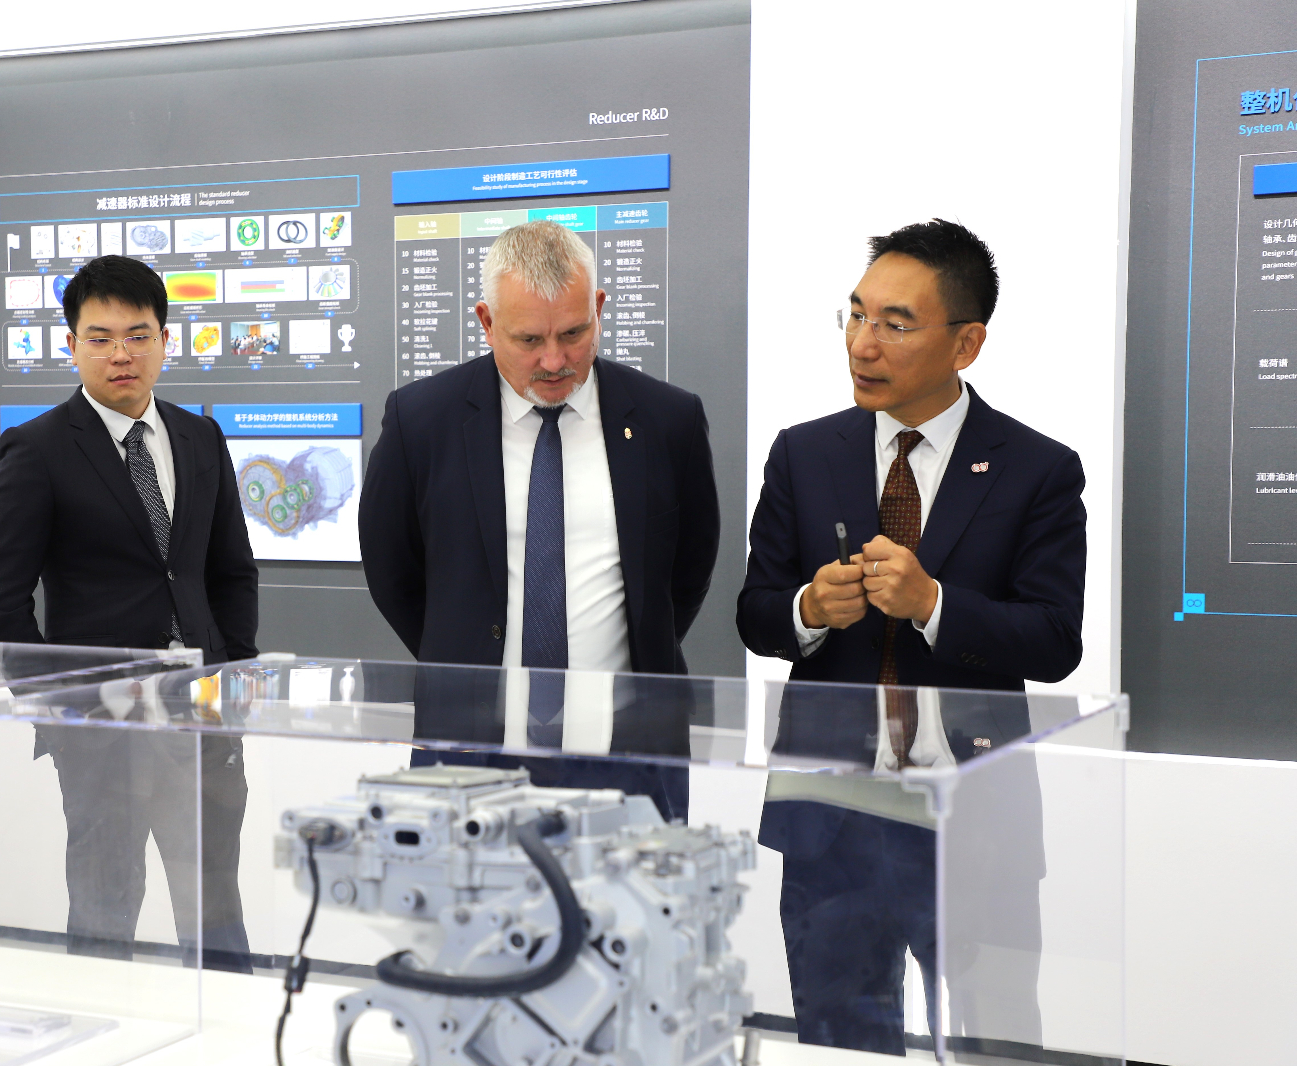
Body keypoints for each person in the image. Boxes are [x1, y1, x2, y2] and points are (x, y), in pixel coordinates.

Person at [736, 220, 1084, 1054]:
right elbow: (755, 612)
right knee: (838, 1039)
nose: (863, 343)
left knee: (995, 1040)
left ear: (967, 343)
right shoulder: (803, 454)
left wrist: (933, 603)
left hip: (972, 820)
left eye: (895, 324)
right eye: (856, 315)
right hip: (832, 819)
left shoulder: (1037, 467)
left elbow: (1053, 640)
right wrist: (808, 610)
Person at [359, 220, 720, 821]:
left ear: (598, 308)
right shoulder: (421, 420)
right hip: (470, 752)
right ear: (486, 322)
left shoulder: (668, 420)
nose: (555, 361)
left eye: (574, 333)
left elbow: (685, 573)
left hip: (629, 757)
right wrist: (464, 654)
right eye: (529, 339)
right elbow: (393, 570)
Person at [0, 254, 259, 968]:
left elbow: (230, 571)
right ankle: (97, 1023)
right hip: (102, 727)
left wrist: (236, 680)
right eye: (100, 338)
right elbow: (1, 598)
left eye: (138, 336)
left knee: (216, 905)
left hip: (203, 719)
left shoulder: (200, 438)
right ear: (71, 344)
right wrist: (58, 711)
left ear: (165, 340)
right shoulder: (38, 449)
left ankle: (232, 1019)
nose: (121, 354)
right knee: (105, 904)